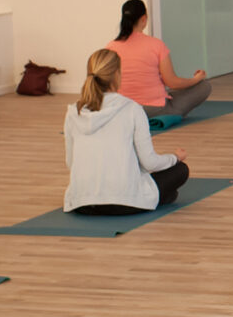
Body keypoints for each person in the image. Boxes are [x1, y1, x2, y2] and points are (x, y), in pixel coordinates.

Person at [64, 49, 190, 214]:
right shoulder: (132, 109)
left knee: (164, 188)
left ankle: (162, 196)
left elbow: (70, 163)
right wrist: (175, 158)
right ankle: (161, 196)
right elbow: (149, 163)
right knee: (180, 170)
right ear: (117, 74)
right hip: (125, 203)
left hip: (83, 204)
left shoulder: (74, 112)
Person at [105, 0, 213, 117]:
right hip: (153, 110)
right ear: (144, 19)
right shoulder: (156, 45)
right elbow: (172, 82)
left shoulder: (110, 47)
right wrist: (196, 79)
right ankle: (165, 116)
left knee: (166, 93)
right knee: (204, 86)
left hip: (122, 110)